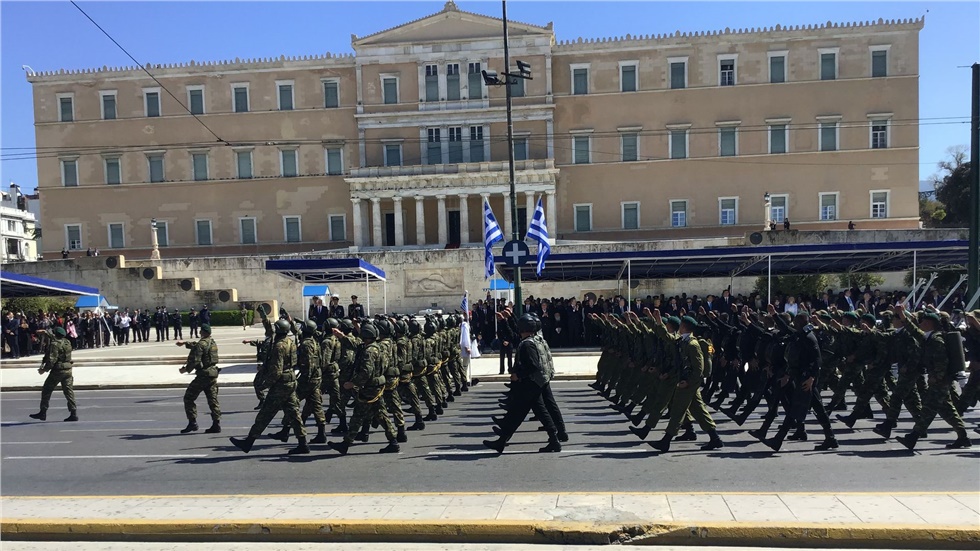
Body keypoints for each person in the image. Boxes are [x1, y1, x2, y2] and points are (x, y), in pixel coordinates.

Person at [483, 314, 562, 454]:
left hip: (530, 384)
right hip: (535, 383)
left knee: (518, 412)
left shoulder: (527, 345)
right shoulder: (536, 340)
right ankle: (502, 441)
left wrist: (518, 375)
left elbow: (533, 365)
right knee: (525, 412)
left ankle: (502, 441)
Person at [231, 318, 309, 455]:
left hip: (281, 384)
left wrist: (264, 385)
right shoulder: (290, 342)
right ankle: (303, 443)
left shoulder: (279, 346)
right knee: (294, 413)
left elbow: (277, 370)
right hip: (290, 379)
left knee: (265, 414)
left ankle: (248, 442)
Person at [328, 321, 400, 455]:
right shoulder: (376, 347)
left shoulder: (369, 351)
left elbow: (366, 372)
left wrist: (353, 383)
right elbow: (355, 345)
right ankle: (393, 441)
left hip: (370, 388)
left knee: (358, 416)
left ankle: (346, 443)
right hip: (376, 387)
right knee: (380, 415)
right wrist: (341, 336)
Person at [175, 324, 221, 434]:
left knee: (188, 398)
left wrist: (185, 370)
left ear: (202, 332)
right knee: (213, 401)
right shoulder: (212, 342)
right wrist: (185, 343)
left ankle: (192, 423)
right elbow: (199, 346)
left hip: (203, 376)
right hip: (213, 374)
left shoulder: (201, 344)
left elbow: (195, 359)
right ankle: (216, 424)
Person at [29, 327, 77, 422]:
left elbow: (52, 359)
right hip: (68, 370)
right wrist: (45, 332)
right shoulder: (67, 342)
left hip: (58, 371)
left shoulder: (54, 345)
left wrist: (44, 369)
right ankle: (73, 413)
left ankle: (43, 412)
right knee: (69, 392)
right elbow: (55, 338)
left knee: (47, 390)